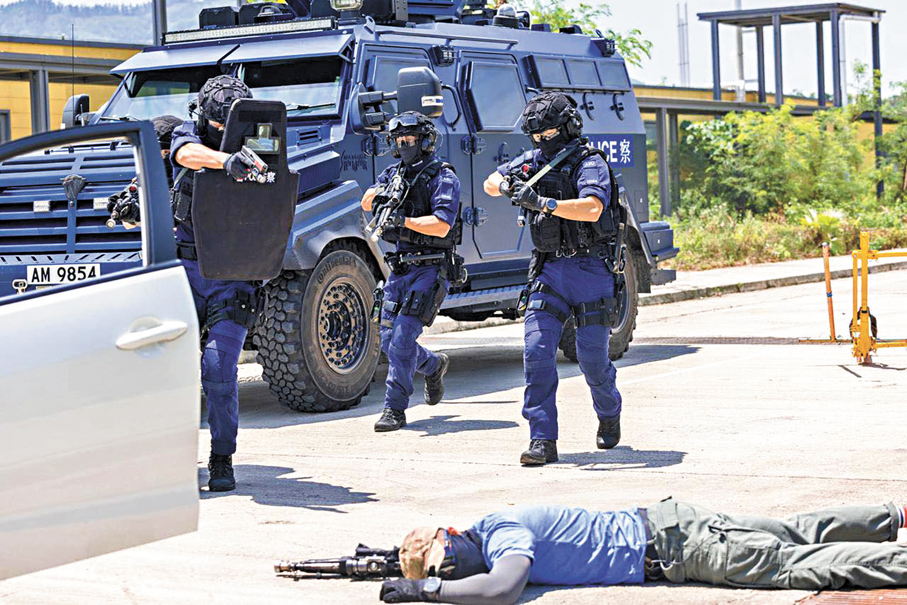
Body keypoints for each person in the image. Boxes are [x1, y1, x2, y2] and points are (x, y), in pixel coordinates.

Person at [378, 499, 907, 603]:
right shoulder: (490, 529)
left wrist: (429, 590)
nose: (445, 569)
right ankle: (894, 517)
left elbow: (502, 587)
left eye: (441, 560)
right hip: (674, 521)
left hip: (680, 548)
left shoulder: (504, 537)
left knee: (793, 567)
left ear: (451, 533)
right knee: (794, 532)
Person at [482, 91, 623, 466]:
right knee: (536, 352)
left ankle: (609, 412)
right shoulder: (533, 161)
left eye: (548, 134)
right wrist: (509, 186)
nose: (542, 141)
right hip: (550, 271)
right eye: (536, 136)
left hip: (591, 270)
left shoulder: (590, 163)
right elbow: (490, 183)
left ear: (569, 127)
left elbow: (593, 208)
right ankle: (542, 438)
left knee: (592, 361)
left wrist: (545, 204)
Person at [169, 75, 262, 492]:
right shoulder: (190, 135)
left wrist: (256, 167)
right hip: (186, 272)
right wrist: (225, 161)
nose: (225, 132)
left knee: (219, 369)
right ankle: (173, 459)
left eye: (231, 125)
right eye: (218, 124)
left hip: (233, 274)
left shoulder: (261, 136)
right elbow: (186, 153)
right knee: (172, 373)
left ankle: (222, 456)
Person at [360, 111, 461, 432]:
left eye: (411, 140)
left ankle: (394, 408)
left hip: (431, 268)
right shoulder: (393, 173)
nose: (405, 145)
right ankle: (433, 365)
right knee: (388, 342)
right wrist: (384, 195)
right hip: (400, 270)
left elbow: (443, 224)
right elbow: (365, 202)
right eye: (399, 141)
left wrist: (403, 221)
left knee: (402, 339)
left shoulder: (443, 176)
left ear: (426, 141)